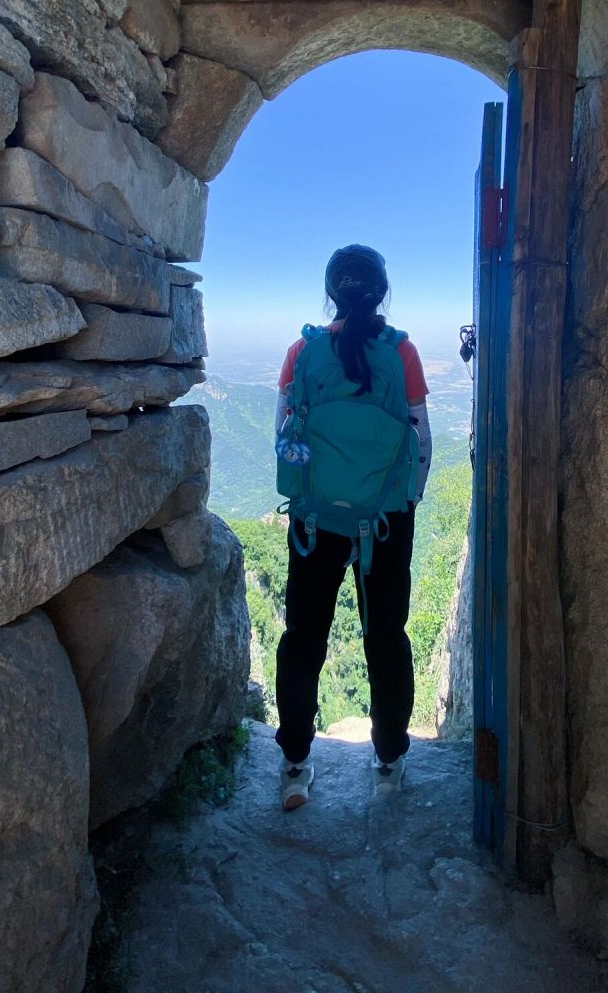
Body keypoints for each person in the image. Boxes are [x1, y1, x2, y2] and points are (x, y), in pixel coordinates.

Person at [273, 245, 432, 811]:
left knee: (302, 638)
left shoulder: (302, 351)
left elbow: (287, 442)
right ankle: (389, 760)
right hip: (384, 523)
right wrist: (402, 503)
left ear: (331, 293)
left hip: (316, 520)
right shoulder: (402, 353)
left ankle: (295, 764)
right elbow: (420, 443)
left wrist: (300, 500)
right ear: (382, 292)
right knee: (386, 637)